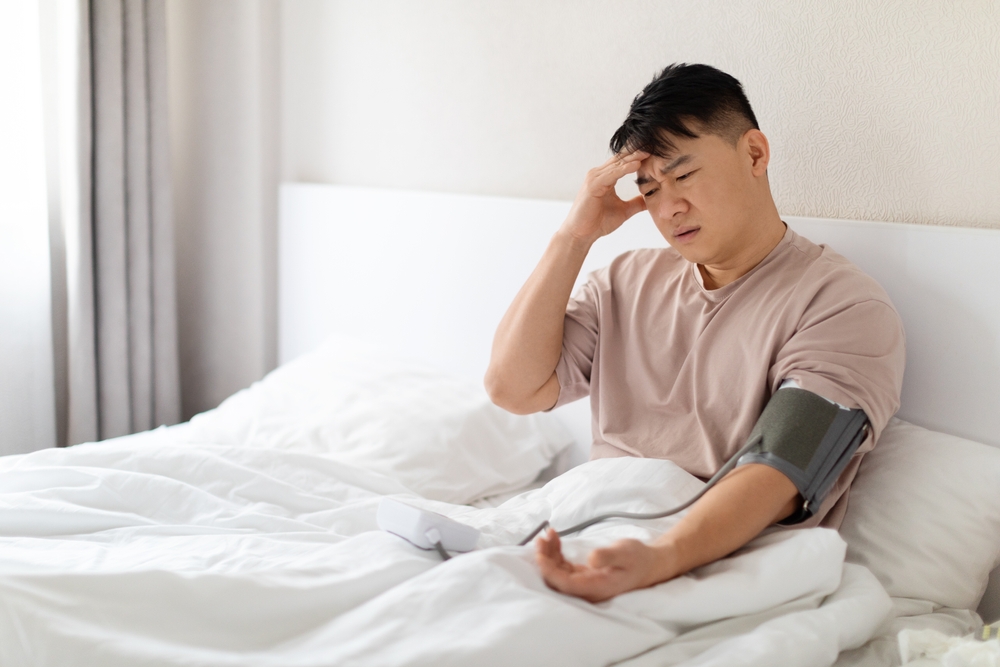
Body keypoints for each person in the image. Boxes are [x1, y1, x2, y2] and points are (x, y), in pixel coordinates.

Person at [484, 63, 905, 603]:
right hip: (585, 525)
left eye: (683, 176)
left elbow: (782, 468)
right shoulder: (624, 281)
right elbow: (512, 389)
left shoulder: (843, 305)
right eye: (650, 189)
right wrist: (574, 237)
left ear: (754, 154)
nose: (669, 207)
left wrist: (662, 558)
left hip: (710, 557)